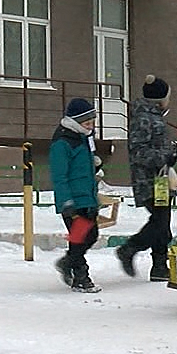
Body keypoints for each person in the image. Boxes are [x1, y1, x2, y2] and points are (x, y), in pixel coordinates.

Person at [118, 75, 177, 282]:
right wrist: (165, 157)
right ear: (160, 98)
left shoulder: (155, 117)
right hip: (150, 181)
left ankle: (160, 267)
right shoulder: (144, 118)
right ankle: (129, 248)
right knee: (160, 223)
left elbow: (158, 147)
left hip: (161, 179)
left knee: (162, 222)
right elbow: (138, 151)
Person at [50, 98, 103, 293]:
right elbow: (59, 174)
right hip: (73, 200)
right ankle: (81, 277)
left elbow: (82, 168)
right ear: (75, 122)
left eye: (92, 123)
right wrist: (66, 201)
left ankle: (68, 262)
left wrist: (95, 165)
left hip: (87, 197)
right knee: (80, 237)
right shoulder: (63, 142)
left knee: (91, 235)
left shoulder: (83, 138)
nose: (90, 127)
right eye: (86, 123)